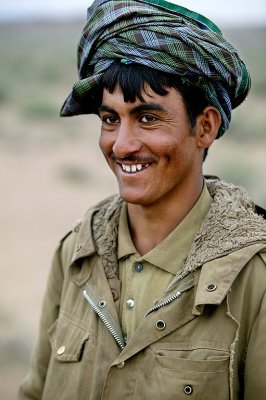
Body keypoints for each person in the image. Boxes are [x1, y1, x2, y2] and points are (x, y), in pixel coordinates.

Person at [18, 1, 266, 399]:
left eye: (148, 118)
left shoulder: (254, 273)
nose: (122, 145)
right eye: (109, 119)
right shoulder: (76, 253)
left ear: (204, 127)